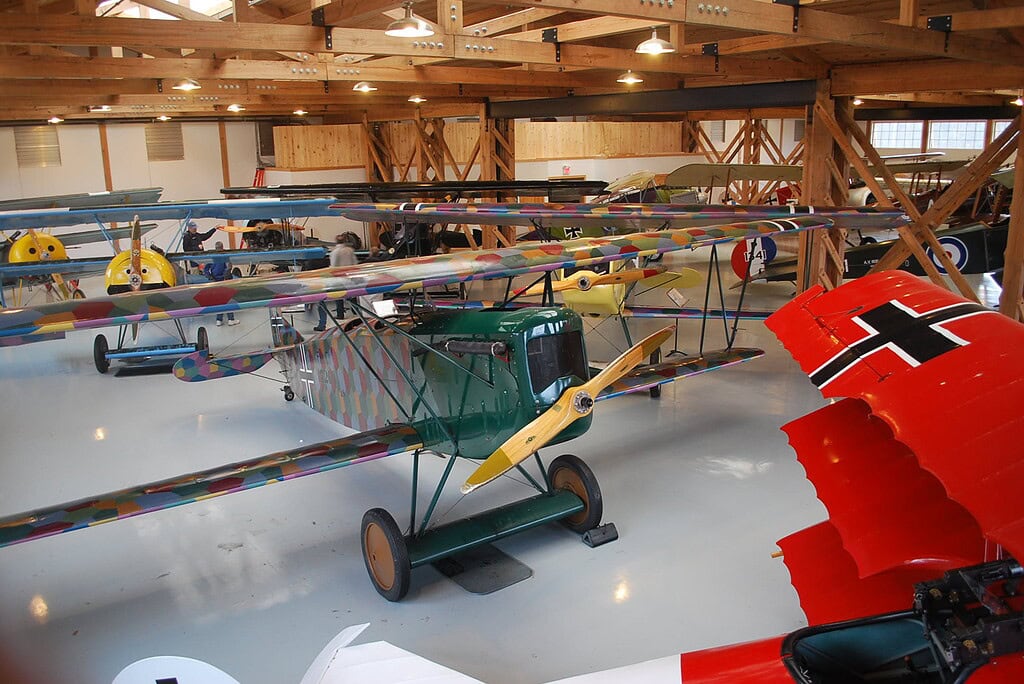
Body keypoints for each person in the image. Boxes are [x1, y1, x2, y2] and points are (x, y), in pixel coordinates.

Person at [314, 233, 359, 332]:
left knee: (339, 297)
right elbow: (355, 264)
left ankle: (340, 314)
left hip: (339, 278)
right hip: (349, 278)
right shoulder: (350, 250)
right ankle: (357, 312)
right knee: (352, 297)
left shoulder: (335, 252)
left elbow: (334, 266)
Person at [203, 242, 238, 326]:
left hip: (215, 281)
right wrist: (226, 275)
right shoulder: (224, 255)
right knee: (228, 300)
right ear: (222, 247)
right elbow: (229, 267)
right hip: (224, 280)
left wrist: (209, 276)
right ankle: (230, 319)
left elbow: (206, 268)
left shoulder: (212, 256)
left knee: (219, 300)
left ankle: (219, 320)